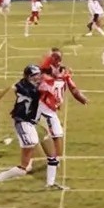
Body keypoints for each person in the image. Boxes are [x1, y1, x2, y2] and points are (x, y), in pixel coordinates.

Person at [0, 65, 42, 190]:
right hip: (23, 123)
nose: (38, 78)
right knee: (23, 168)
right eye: (34, 75)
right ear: (28, 77)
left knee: (35, 144)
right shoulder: (29, 89)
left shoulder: (23, 84)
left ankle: (29, 166)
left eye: (38, 74)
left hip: (29, 122)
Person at [37, 59, 88, 190]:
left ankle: (52, 170)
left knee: (57, 139)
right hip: (45, 112)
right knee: (54, 142)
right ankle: (51, 172)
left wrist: (81, 98)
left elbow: (73, 88)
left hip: (50, 112)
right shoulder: (44, 80)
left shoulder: (61, 76)